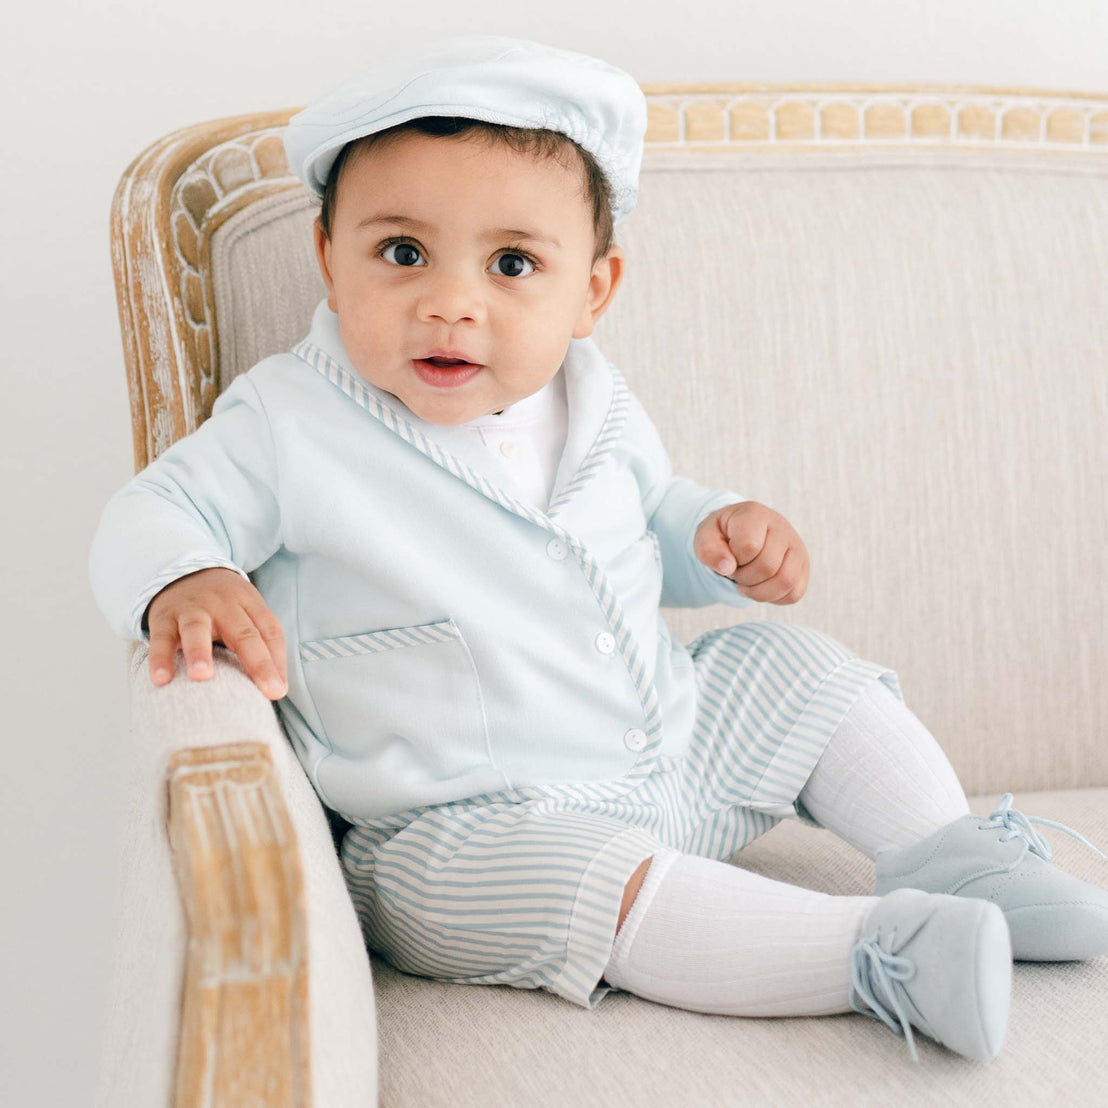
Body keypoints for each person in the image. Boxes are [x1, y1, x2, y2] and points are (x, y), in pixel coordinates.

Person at [88, 34, 1108, 1065]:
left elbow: (642, 521)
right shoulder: (288, 424)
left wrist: (711, 538)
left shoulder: (594, 400)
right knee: (566, 886)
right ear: (327, 260)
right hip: (467, 825)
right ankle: (875, 955)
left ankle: (949, 852)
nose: (452, 301)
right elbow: (148, 510)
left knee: (791, 671)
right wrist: (186, 571)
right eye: (401, 253)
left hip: (669, 753)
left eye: (512, 264)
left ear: (593, 291)